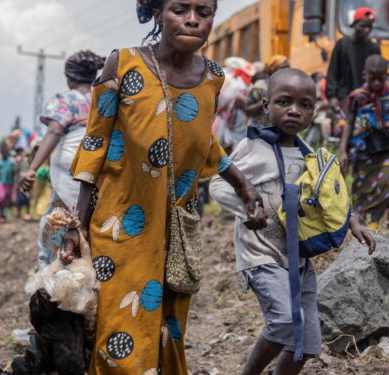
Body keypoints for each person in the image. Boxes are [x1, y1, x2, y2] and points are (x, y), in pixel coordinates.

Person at [48, 1, 267, 373]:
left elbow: (203, 141)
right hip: (120, 224)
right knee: (121, 326)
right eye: (180, 9)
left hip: (177, 228)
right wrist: (76, 226)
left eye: (204, 12)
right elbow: (94, 143)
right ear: (157, 12)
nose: (193, 20)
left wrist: (245, 186)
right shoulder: (123, 63)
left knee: (170, 328)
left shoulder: (213, 76)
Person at [209, 68, 375, 375]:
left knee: (307, 343)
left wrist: (353, 221)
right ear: (267, 105)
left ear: (314, 110)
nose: (294, 110)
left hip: (298, 261)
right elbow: (218, 185)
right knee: (285, 323)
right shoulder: (252, 148)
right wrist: (248, 206)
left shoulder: (309, 154)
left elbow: (328, 197)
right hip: (261, 255)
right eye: (284, 102)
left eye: (305, 105)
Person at [20, 49, 105, 268]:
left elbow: (55, 131)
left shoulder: (65, 100)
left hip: (72, 167)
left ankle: (52, 273)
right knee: (94, 218)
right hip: (102, 166)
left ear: (70, 78)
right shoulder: (103, 98)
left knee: (58, 220)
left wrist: (32, 168)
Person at [339, 54, 389, 227]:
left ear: (387, 75)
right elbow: (349, 123)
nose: (377, 82)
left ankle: (379, 221)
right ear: (365, 75)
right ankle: (363, 223)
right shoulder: (357, 96)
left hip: (387, 150)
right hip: (363, 152)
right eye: (372, 77)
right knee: (362, 188)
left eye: (381, 78)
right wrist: (343, 151)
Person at [325, 7, 381, 114]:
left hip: (368, 99)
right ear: (354, 25)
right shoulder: (342, 44)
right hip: (345, 98)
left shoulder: (374, 48)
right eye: (363, 26)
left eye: (369, 26)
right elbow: (333, 72)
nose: (367, 30)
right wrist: (332, 97)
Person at [0, 142, 15, 223]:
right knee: (1, 197)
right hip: (0, 183)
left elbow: (13, 173)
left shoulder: (11, 161)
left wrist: (14, 184)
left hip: (9, 183)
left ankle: (3, 215)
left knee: (6, 199)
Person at [13, 147, 32, 220]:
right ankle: (18, 211)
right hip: (21, 182)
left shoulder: (30, 161)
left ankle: (27, 213)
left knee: (27, 198)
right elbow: (16, 172)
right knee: (19, 198)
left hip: (28, 181)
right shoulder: (19, 161)